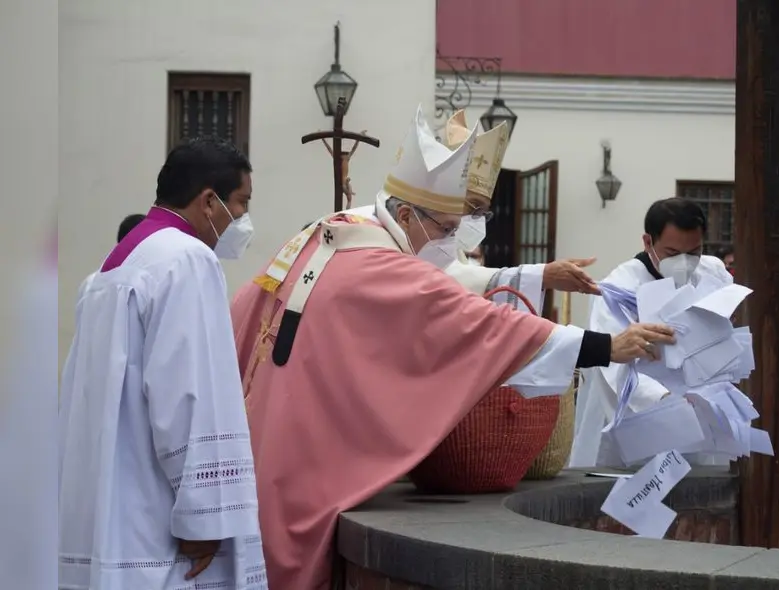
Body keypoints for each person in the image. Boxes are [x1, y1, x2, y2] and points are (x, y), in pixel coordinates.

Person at [229, 106, 674, 589]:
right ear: (404, 214)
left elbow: (244, 308)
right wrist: (608, 346)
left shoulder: (325, 232)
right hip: (311, 447)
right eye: (445, 229)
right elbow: (485, 325)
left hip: (266, 415)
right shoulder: (388, 266)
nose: (451, 241)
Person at [58, 137, 267, 589]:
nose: (244, 220)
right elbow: (190, 392)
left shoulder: (110, 268)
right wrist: (204, 516)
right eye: (241, 203)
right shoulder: (186, 259)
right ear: (209, 201)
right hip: (158, 522)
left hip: (110, 501)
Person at [324, 109, 599, 313]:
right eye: (471, 208)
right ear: (407, 216)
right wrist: (542, 275)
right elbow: (437, 283)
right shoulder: (371, 239)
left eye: (483, 212)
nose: (473, 221)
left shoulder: (429, 241)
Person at [569, 197, 734, 469]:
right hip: (642, 413)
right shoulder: (617, 290)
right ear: (648, 242)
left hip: (701, 405)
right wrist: (665, 399)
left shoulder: (712, 272)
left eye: (693, 253)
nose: (684, 263)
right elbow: (612, 364)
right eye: (671, 254)